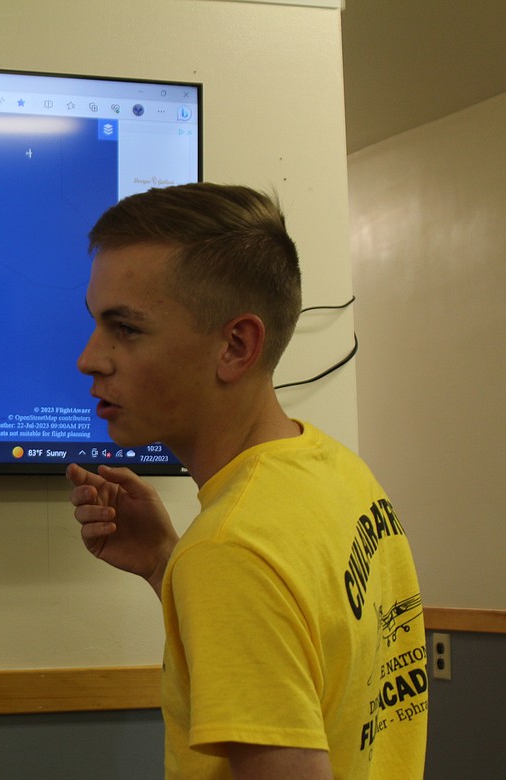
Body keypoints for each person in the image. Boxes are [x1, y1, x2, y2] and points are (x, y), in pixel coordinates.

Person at [67, 183, 427, 779]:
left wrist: (202, 563)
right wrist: (164, 562)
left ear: (236, 346)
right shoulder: (335, 470)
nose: (90, 357)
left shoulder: (229, 550)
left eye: (124, 329)